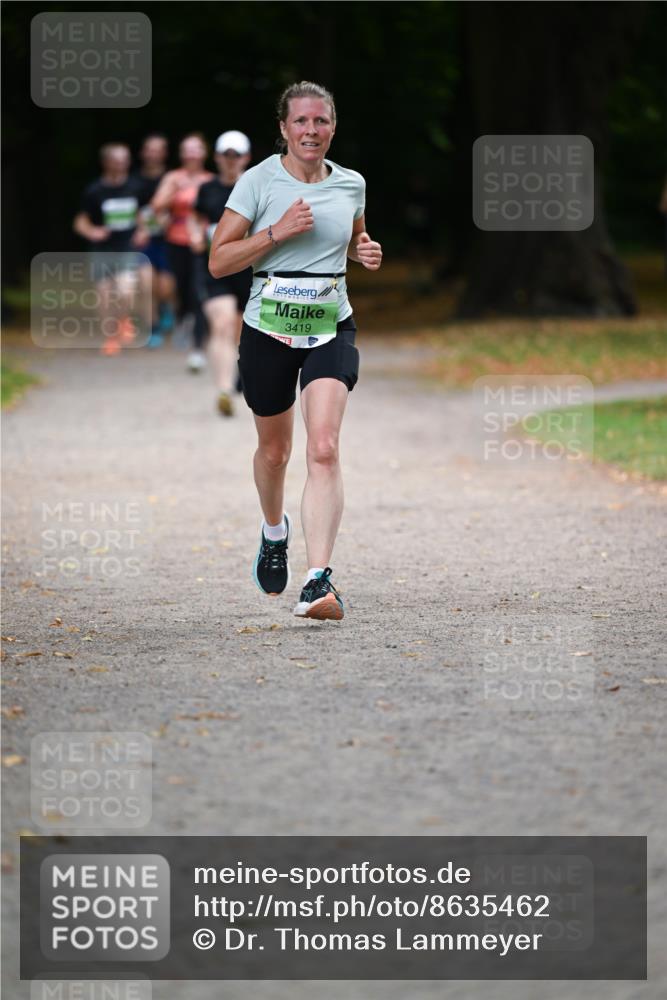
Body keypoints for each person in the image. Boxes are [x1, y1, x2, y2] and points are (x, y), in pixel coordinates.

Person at [209, 81, 382, 620]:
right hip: (269, 330)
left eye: (321, 120)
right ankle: (273, 529)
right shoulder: (257, 182)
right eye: (301, 121)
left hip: (332, 326)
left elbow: (353, 237)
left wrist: (364, 251)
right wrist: (275, 234)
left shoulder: (350, 183)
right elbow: (219, 261)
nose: (312, 130)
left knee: (324, 448)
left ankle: (317, 580)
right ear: (283, 128)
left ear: (333, 125)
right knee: (275, 453)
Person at [192, 130, 253, 416]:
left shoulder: (256, 188)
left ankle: (241, 370)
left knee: (242, 332)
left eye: (236, 155)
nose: (231, 160)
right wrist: (195, 235)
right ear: (216, 157)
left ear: (246, 158)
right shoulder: (207, 190)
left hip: (249, 271)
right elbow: (196, 221)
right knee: (223, 325)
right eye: (225, 154)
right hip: (216, 270)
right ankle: (224, 390)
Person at [73, 143, 152, 356]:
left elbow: (146, 213)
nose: (121, 164)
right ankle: (111, 336)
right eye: (116, 160)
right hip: (102, 249)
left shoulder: (137, 186)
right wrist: (92, 232)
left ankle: (125, 320)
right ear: (106, 162)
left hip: (127, 247)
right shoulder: (94, 191)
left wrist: (143, 230)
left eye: (125, 159)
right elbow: (80, 221)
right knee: (105, 296)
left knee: (126, 290)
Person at [151, 133, 213, 371]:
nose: (191, 154)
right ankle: (181, 318)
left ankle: (198, 343)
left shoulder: (210, 179)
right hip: (176, 241)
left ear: (204, 153)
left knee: (198, 291)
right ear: (181, 154)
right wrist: (175, 189)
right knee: (178, 287)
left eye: (196, 149)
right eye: (187, 149)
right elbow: (156, 206)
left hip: (202, 243)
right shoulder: (173, 178)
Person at [134, 133, 176, 347]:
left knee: (165, 287)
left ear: (164, 154)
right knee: (147, 283)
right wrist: (141, 228)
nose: (153, 154)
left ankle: (167, 307)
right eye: (149, 149)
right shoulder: (134, 181)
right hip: (144, 242)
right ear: (143, 153)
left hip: (168, 240)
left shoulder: (172, 178)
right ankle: (154, 327)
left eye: (157, 150)